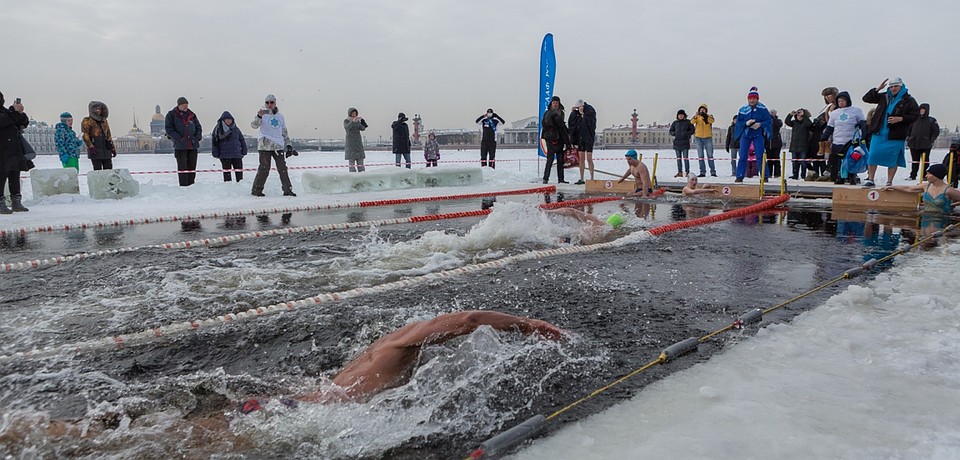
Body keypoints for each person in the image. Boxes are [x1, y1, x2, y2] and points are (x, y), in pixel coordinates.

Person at [295, 310, 564, 402]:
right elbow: (470, 319)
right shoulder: (405, 341)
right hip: (325, 415)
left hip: (302, 403)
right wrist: (528, 325)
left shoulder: (375, 349)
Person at [861, 77, 920, 188]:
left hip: (896, 134)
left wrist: (901, 118)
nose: (893, 89)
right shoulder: (884, 96)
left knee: (893, 158)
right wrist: (877, 89)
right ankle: (870, 179)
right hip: (879, 131)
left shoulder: (909, 100)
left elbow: (915, 115)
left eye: (895, 86)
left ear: (901, 86)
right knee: (873, 155)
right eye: (891, 86)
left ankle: (889, 181)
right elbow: (866, 98)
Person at [251, 94, 296, 196]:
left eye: (272, 102)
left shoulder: (280, 116)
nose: (269, 104)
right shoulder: (262, 114)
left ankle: (287, 190)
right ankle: (257, 190)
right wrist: (259, 116)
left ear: (275, 103)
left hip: (278, 146)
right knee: (264, 169)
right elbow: (254, 125)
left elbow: (284, 131)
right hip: (265, 146)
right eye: (267, 102)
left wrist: (288, 145)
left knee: (282, 168)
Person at [820, 91, 867, 185]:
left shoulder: (856, 111)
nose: (841, 102)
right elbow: (830, 127)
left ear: (848, 101)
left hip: (851, 141)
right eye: (839, 101)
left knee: (852, 160)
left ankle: (852, 177)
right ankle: (840, 177)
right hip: (838, 140)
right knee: (838, 161)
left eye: (843, 101)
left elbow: (863, 123)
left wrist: (864, 135)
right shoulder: (834, 113)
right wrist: (823, 137)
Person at [881, 164, 960, 217]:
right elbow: (908, 188)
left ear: (936, 175)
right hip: (926, 218)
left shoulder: (948, 190)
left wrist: (953, 205)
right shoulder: (925, 186)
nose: (926, 176)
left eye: (929, 174)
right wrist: (891, 187)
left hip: (942, 219)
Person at [733, 86, 773, 183]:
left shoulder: (762, 109)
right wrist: (746, 124)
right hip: (746, 134)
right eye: (750, 99)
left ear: (757, 99)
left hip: (757, 134)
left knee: (760, 155)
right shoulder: (743, 109)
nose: (752, 100)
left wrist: (760, 124)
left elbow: (768, 120)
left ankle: (764, 175)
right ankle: (739, 176)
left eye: (754, 99)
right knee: (742, 156)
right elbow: (738, 122)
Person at [0, 92, 29, 214]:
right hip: (2, 151)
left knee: (14, 175)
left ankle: (16, 201)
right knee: (1, 177)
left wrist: (20, 112)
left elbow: (22, 123)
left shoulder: (6, 111)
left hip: (13, 150)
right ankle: (1, 203)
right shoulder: (6, 114)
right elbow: (4, 121)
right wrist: (14, 112)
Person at [165, 97, 203, 187]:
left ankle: (191, 185)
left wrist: (197, 137)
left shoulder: (192, 115)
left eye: (187, 105)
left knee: (192, 167)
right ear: (179, 105)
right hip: (180, 147)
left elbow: (198, 127)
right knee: (183, 168)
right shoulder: (171, 115)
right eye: (184, 105)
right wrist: (179, 139)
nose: (186, 106)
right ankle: (184, 187)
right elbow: (169, 129)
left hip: (192, 146)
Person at [211, 111, 247, 182]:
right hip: (224, 155)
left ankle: (240, 185)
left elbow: (241, 139)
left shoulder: (236, 129)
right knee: (227, 173)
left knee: (239, 173)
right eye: (226, 119)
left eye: (230, 119)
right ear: (223, 120)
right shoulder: (218, 129)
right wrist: (215, 152)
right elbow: (215, 142)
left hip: (237, 154)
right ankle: (228, 187)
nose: (228, 121)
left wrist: (244, 150)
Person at [906, 103, 939, 180]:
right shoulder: (914, 119)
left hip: (925, 145)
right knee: (915, 161)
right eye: (920, 109)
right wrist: (908, 138)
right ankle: (913, 175)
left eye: (923, 110)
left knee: (925, 161)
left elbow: (936, 131)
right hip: (913, 144)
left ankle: (925, 175)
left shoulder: (931, 120)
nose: (922, 111)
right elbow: (908, 129)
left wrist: (931, 140)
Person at [540, 96, 568, 184]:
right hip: (551, 138)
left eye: (556, 103)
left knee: (560, 160)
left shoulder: (561, 113)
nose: (555, 104)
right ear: (551, 104)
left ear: (559, 104)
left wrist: (566, 138)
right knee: (550, 159)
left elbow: (562, 126)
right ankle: (545, 178)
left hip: (559, 139)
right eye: (554, 103)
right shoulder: (548, 113)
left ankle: (561, 179)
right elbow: (545, 124)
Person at [80, 101, 115, 171]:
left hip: (106, 150)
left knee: (109, 170)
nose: (99, 111)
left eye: (100, 109)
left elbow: (108, 135)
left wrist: (112, 148)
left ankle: (108, 182)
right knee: (97, 170)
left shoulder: (104, 121)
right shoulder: (87, 121)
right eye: (97, 109)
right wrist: (91, 147)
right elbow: (85, 135)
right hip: (95, 151)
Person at [785, 108, 813, 180]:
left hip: (803, 146)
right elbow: (787, 122)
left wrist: (804, 116)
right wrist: (790, 114)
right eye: (798, 115)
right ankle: (795, 174)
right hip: (794, 146)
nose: (799, 116)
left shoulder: (805, 123)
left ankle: (803, 175)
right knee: (794, 162)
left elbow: (809, 124)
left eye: (801, 115)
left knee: (803, 162)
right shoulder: (794, 123)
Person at [690, 104, 716, 177]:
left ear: (706, 110)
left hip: (708, 137)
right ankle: (702, 172)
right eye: (701, 109)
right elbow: (692, 122)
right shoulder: (697, 117)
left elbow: (712, 121)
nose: (702, 110)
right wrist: (695, 116)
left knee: (710, 155)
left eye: (703, 109)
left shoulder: (709, 116)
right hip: (698, 138)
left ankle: (713, 172)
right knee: (700, 155)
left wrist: (705, 116)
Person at [576, 100, 598, 184]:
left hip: (589, 137)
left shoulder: (590, 111)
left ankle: (592, 177)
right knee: (581, 158)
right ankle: (581, 178)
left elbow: (591, 124)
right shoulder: (577, 113)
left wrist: (583, 115)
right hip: (581, 137)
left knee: (589, 158)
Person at [669, 109, 695, 178]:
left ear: (684, 115)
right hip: (677, 143)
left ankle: (687, 172)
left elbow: (692, 130)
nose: (680, 116)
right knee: (678, 159)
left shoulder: (688, 122)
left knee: (686, 158)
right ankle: (679, 172)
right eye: (679, 115)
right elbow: (671, 131)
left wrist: (686, 133)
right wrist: (674, 133)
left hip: (685, 143)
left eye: (682, 115)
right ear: (677, 116)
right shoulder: (675, 123)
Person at [344, 107, 367, 172]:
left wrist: (362, 121)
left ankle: (362, 175)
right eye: (353, 113)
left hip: (358, 143)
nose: (354, 114)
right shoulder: (346, 121)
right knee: (351, 162)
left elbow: (362, 128)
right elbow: (347, 128)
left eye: (355, 113)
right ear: (350, 114)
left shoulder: (358, 121)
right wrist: (352, 122)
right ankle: (353, 176)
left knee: (360, 163)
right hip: (350, 143)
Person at [767, 109, 783, 178]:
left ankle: (777, 173)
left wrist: (774, 118)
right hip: (768, 143)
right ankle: (769, 173)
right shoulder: (767, 121)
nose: (772, 114)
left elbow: (778, 125)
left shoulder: (778, 121)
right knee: (769, 159)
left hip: (776, 143)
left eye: (773, 113)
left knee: (776, 159)